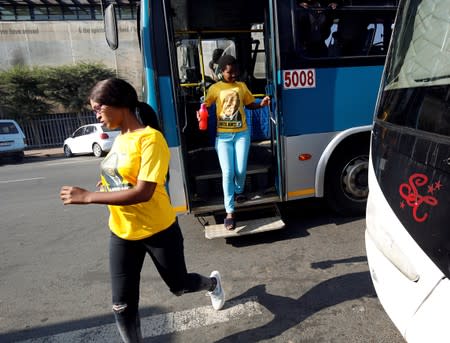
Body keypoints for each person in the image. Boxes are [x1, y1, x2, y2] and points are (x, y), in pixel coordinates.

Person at [59, 78, 225, 343]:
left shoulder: (151, 139)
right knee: (121, 305)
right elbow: (120, 176)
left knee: (179, 286)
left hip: (158, 230)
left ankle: (212, 284)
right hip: (122, 233)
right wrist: (104, 185)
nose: (97, 117)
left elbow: (143, 191)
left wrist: (89, 197)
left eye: (99, 109)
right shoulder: (120, 139)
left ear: (121, 104)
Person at [198, 55, 270, 231]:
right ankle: (230, 212)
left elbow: (249, 104)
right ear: (221, 72)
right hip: (223, 137)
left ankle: (238, 191)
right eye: (229, 72)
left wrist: (261, 105)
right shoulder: (215, 88)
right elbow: (205, 106)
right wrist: (200, 113)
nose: (233, 75)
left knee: (240, 169)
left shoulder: (242, 87)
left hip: (241, 135)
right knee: (228, 172)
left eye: (235, 71)